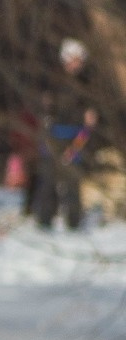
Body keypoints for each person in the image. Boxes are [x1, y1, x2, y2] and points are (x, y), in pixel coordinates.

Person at [26, 36, 100, 230]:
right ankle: (44, 220)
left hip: (77, 137)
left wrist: (90, 117)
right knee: (48, 180)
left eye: (80, 60)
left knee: (72, 182)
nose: (76, 64)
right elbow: (43, 108)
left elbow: (91, 114)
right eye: (73, 59)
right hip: (53, 136)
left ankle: (74, 222)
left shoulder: (87, 83)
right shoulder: (51, 81)